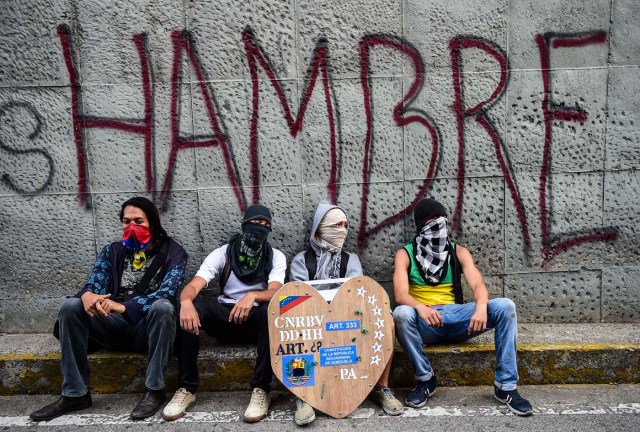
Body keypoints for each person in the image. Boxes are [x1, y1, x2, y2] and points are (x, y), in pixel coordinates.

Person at [29, 197, 188, 421]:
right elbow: (95, 282)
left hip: (147, 328)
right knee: (71, 305)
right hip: (110, 323)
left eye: (138, 221)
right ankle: (76, 394)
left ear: (151, 223)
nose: (132, 226)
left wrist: (124, 306)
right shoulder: (112, 251)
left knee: (163, 307)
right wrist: (87, 295)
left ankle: (155, 390)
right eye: (126, 221)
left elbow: (167, 293)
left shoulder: (174, 252)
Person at [392, 198, 533, 416]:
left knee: (505, 306)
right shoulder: (406, 254)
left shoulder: (458, 252)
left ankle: (506, 387)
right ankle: (425, 380)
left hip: (458, 319)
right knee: (401, 313)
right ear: (421, 225)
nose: (438, 226)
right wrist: (421, 308)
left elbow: (478, 285)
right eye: (431, 221)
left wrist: (481, 306)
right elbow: (400, 295)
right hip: (425, 323)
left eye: (441, 220)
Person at [163, 204, 286, 423]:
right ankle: (187, 388)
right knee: (194, 307)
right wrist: (185, 301)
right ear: (244, 225)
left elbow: (276, 289)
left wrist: (253, 296)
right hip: (225, 318)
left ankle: (261, 390)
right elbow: (195, 285)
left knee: (272, 310)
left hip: (254, 319)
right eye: (255, 223)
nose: (260, 228)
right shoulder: (223, 253)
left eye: (265, 225)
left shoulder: (275, 256)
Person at [288, 202, 403, 425]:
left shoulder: (351, 260)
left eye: (345, 225)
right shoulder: (302, 260)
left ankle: (381, 387)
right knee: (291, 327)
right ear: (320, 227)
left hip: (346, 319)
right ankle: (301, 394)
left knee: (387, 321)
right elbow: (299, 296)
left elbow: (354, 293)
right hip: (312, 321)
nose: (341, 230)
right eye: (335, 225)